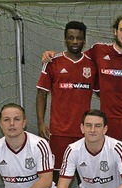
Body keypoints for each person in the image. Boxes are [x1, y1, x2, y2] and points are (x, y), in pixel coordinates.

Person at [43, 15, 122, 151]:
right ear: (115, 31)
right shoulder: (98, 50)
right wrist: (53, 54)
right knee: (111, 164)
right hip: (109, 120)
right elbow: (75, 55)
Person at [36, 21, 97, 175]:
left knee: (86, 177)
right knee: (57, 176)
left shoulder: (92, 64)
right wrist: (41, 123)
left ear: (84, 40)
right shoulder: (53, 62)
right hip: (59, 132)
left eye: (78, 38)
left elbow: (104, 93)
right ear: (65, 39)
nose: (75, 42)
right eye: (71, 38)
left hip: (84, 131)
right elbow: (41, 93)